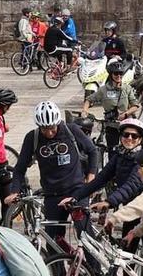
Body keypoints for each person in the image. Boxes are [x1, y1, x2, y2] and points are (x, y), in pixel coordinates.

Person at [8, 100, 99, 237]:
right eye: (45, 129)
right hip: (52, 195)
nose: (49, 133)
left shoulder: (71, 130)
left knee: (85, 235)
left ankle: (92, 258)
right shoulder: (33, 138)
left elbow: (93, 151)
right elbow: (19, 169)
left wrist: (91, 176)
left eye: (52, 128)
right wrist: (14, 191)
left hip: (77, 191)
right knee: (54, 240)